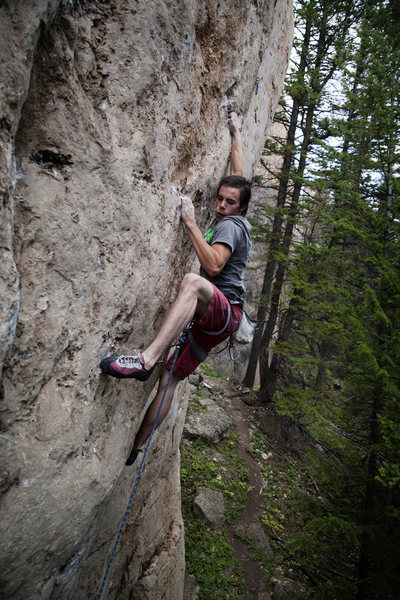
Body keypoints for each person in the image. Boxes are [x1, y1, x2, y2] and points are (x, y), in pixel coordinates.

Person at [100, 112, 252, 464]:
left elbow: (214, 265)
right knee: (171, 377)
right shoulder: (237, 210)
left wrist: (190, 223)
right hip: (217, 324)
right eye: (220, 199)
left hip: (221, 311)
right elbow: (240, 174)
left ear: (240, 208)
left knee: (193, 282)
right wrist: (236, 134)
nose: (221, 206)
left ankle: (145, 359)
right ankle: (136, 448)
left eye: (229, 203)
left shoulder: (230, 226)